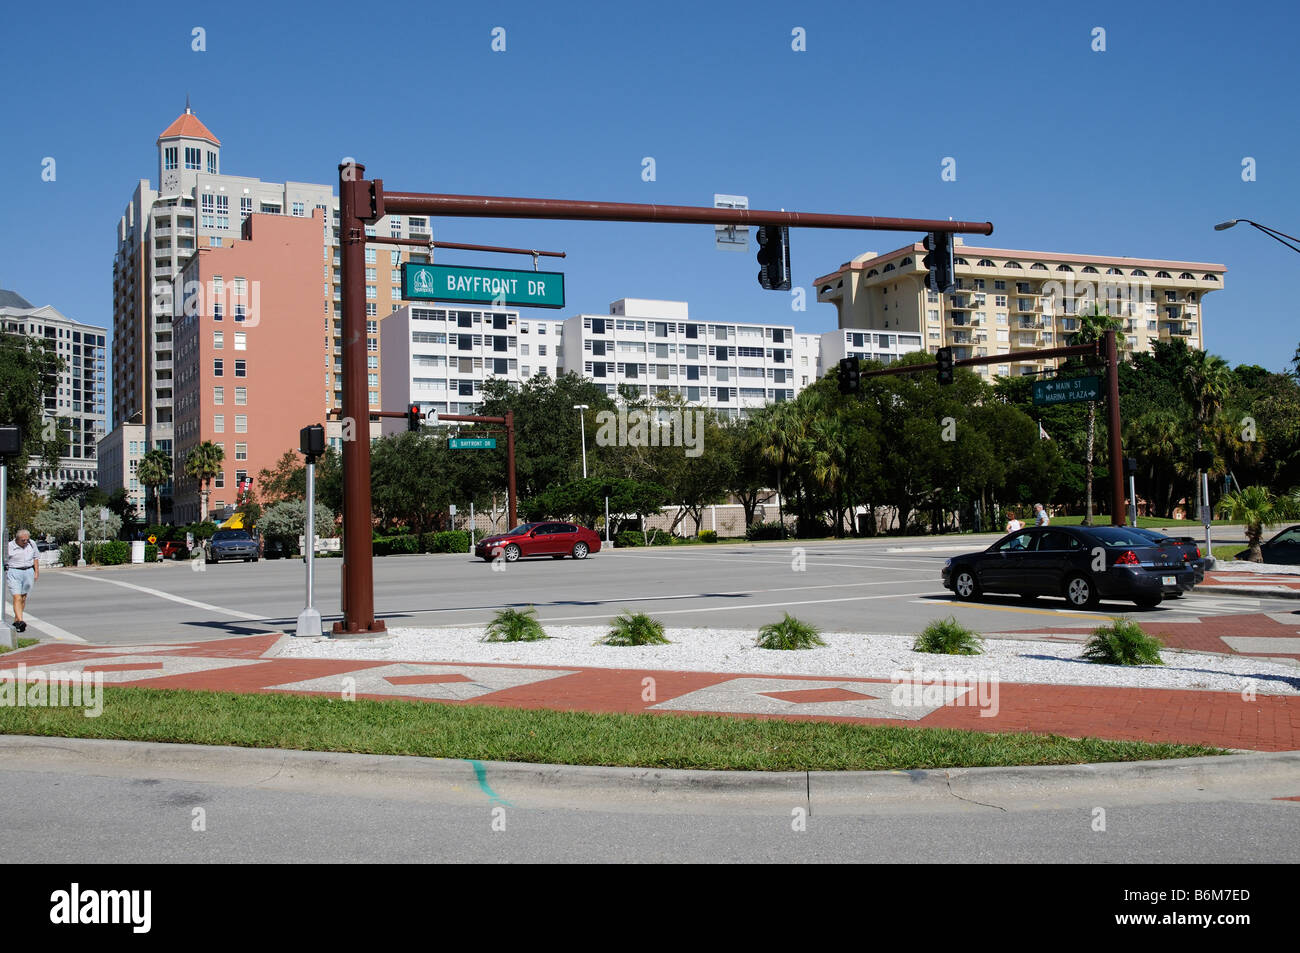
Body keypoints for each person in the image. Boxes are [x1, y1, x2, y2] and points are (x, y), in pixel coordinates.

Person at [6, 528, 40, 633]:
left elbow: (36, 557)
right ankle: (20, 621)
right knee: (17, 597)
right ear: (17, 539)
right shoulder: (9, 546)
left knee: (23, 597)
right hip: (14, 571)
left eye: (27, 540)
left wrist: (36, 572)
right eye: (23, 540)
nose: (25, 542)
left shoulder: (31, 543)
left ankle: (17, 619)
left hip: (28, 571)